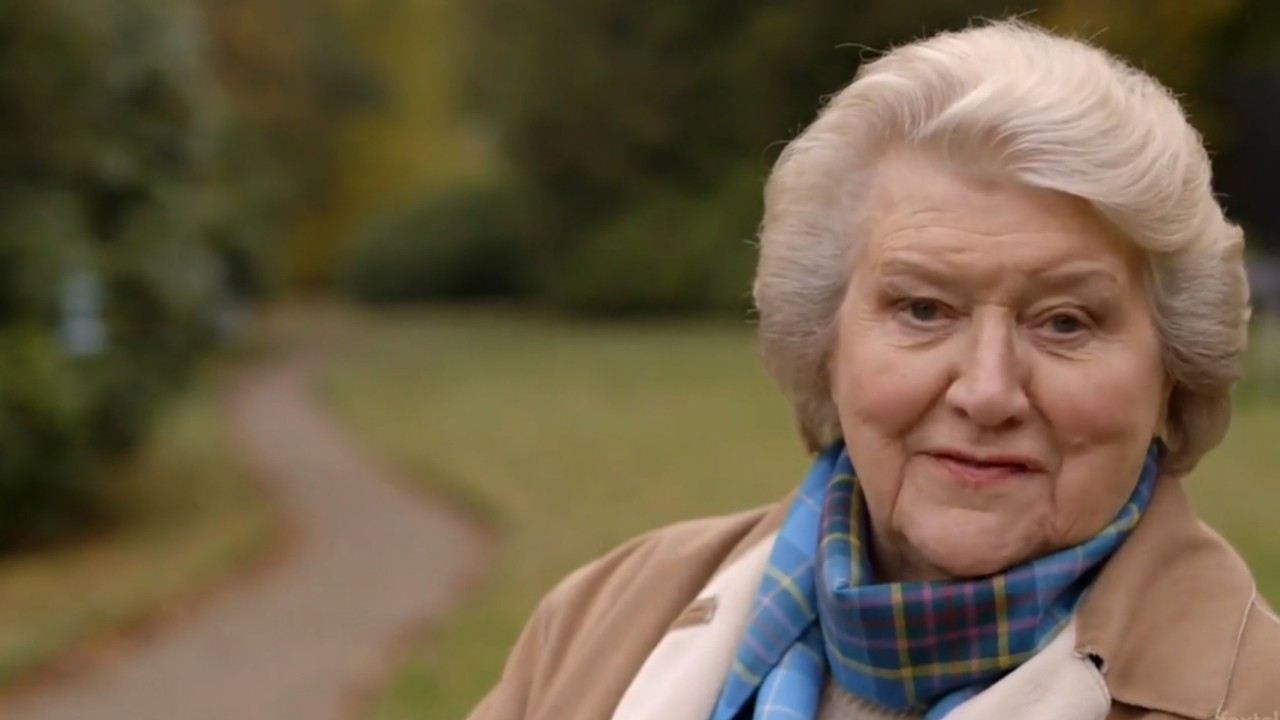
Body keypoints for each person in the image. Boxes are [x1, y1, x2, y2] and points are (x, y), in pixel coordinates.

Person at [467, 20, 1280, 720]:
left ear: (1173, 371)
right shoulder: (602, 620)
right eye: (924, 309)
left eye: (1065, 322)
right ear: (824, 340)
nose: (986, 391)